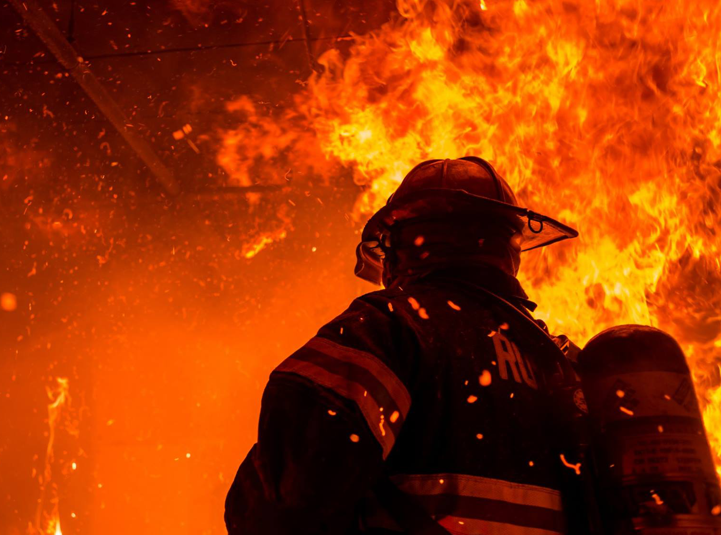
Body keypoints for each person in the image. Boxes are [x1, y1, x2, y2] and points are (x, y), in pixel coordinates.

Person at [225, 157, 588, 535]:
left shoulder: (388, 328)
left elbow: (284, 499)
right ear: (509, 248)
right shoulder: (564, 365)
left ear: (399, 248)